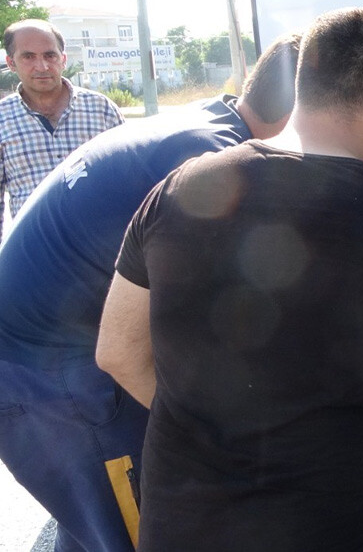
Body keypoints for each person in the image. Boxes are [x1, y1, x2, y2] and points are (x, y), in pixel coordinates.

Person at [95, 8, 363, 552]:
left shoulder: (180, 187)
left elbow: (117, 351)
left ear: (301, 85)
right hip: (332, 530)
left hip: (179, 530)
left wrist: (223, 432)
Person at [0, 32, 299, 552]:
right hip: (56, 379)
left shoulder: (205, 125)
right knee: (145, 531)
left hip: (48, 354)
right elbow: (203, 327)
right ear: (304, 112)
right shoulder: (215, 163)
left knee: (97, 522)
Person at [1, 19, 123, 239]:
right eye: (28, 57)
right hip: (35, 249)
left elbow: (129, 180)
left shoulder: (101, 109)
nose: (42, 66)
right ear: (11, 63)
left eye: (50, 55)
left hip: (102, 250)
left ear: (63, 59)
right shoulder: (3, 118)